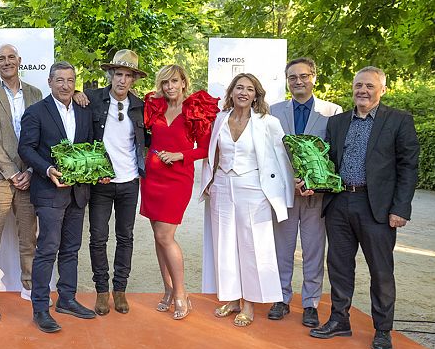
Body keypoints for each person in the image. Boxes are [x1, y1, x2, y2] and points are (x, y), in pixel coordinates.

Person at [310, 66, 419, 349]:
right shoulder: (338, 122)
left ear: (382, 90)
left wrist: (401, 208)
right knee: (339, 266)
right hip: (340, 202)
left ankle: (383, 330)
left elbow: (408, 167)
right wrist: (311, 181)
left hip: (378, 208)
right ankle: (339, 319)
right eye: (359, 85)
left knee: (381, 271)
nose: (363, 90)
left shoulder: (398, 121)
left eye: (370, 86)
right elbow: (327, 163)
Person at [200, 73, 294, 327]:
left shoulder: (268, 122)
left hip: (254, 188)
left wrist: (285, 192)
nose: (243, 92)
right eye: (239, 87)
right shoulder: (220, 119)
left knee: (252, 246)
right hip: (222, 186)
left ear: (256, 95)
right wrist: (208, 181)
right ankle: (231, 299)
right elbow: (213, 153)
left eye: (249, 89)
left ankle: (249, 304)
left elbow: (281, 158)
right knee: (225, 244)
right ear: (231, 92)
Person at [18, 61, 97, 333]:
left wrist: (97, 169)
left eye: (70, 80)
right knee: (47, 249)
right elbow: (26, 149)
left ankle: (66, 299)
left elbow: (90, 147)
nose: (65, 85)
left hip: (78, 191)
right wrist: (48, 169)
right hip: (50, 191)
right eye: (60, 80)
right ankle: (40, 308)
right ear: (50, 82)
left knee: (71, 249)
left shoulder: (84, 111)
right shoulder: (35, 112)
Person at [268, 58, 342, 327]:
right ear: (287, 81)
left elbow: (334, 154)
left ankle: (310, 303)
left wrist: (315, 182)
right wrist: (291, 180)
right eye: (292, 77)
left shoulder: (332, 112)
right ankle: (281, 298)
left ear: (314, 77)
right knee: (282, 249)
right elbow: (271, 155)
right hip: (285, 192)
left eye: (303, 76)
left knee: (313, 250)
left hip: (317, 195)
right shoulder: (273, 111)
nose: (298, 81)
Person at [141, 64, 217, 320]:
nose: (170, 87)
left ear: (184, 82)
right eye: (165, 83)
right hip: (152, 178)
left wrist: (179, 155)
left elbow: (206, 149)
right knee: (157, 235)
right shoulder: (156, 106)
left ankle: (181, 293)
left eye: (174, 81)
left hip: (177, 179)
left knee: (165, 235)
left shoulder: (195, 109)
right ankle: (168, 289)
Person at [0, 44, 41, 322]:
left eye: (10, 57)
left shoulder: (36, 94)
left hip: (29, 176)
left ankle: (30, 285)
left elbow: (42, 133)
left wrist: (31, 171)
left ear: (19, 61)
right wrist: (13, 172)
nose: (6, 62)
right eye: (1, 58)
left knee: (29, 238)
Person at [84, 49, 147, 315]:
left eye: (128, 75)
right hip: (101, 181)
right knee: (98, 237)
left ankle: (119, 289)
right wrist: (77, 94)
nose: (122, 80)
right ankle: (101, 290)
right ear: (111, 75)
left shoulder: (140, 106)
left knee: (126, 236)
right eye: (118, 74)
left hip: (130, 181)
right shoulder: (93, 99)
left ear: (134, 80)